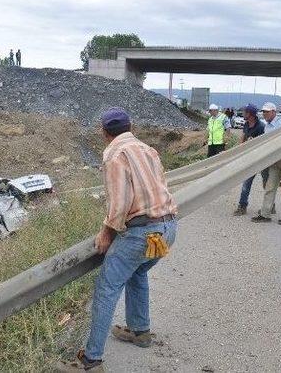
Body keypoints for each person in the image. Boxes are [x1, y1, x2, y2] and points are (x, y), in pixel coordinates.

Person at [60, 108, 178, 371]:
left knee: (107, 287)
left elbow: (120, 203)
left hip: (142, 232)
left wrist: (106, 232)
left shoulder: (114, 155)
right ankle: (139, 331)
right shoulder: (148, 150)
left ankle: (91, 361)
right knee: (137, 272)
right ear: (130, 126)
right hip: (168, 229)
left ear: (104, 133)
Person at [252, 103, 281, 225]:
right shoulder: (267, 127)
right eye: (264, 112)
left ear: (273, 112)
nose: (264, 114)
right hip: (275, 160)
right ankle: (265, 214)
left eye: (267, 112)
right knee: (270, 187)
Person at [233, 104, 267, 216]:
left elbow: (264, 144)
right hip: (250, 160)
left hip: (262, 159)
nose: (243, 113)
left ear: (250, 114)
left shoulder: (261, 127)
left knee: (267, 183)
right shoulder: (246, 124)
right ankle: (242, 206)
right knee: (246, 183)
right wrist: (236, 154)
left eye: (244, 112)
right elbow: (242, 140)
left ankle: (270, 205)